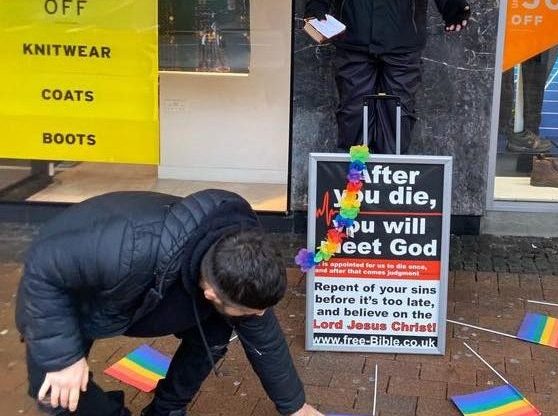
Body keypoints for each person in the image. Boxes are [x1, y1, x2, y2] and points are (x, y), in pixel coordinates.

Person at [15, 189, 322, 416]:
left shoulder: (235, 257)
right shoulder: (129, 245)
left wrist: (295, 406)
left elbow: (264, 339)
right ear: (212, 293)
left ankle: (167, 410)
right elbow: (43, 268)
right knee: (55, 392)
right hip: (67, 292)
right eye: (253, 312)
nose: (261, 316)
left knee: (215, 333)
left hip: (160, 283)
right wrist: (62, 358)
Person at [304, 0, 471, 154]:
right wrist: (316, 6)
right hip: (354, 37)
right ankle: (355, 180)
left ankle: (389, 179)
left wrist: (453, 7)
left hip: (403, 38)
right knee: (353, 115)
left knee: (397, 117)